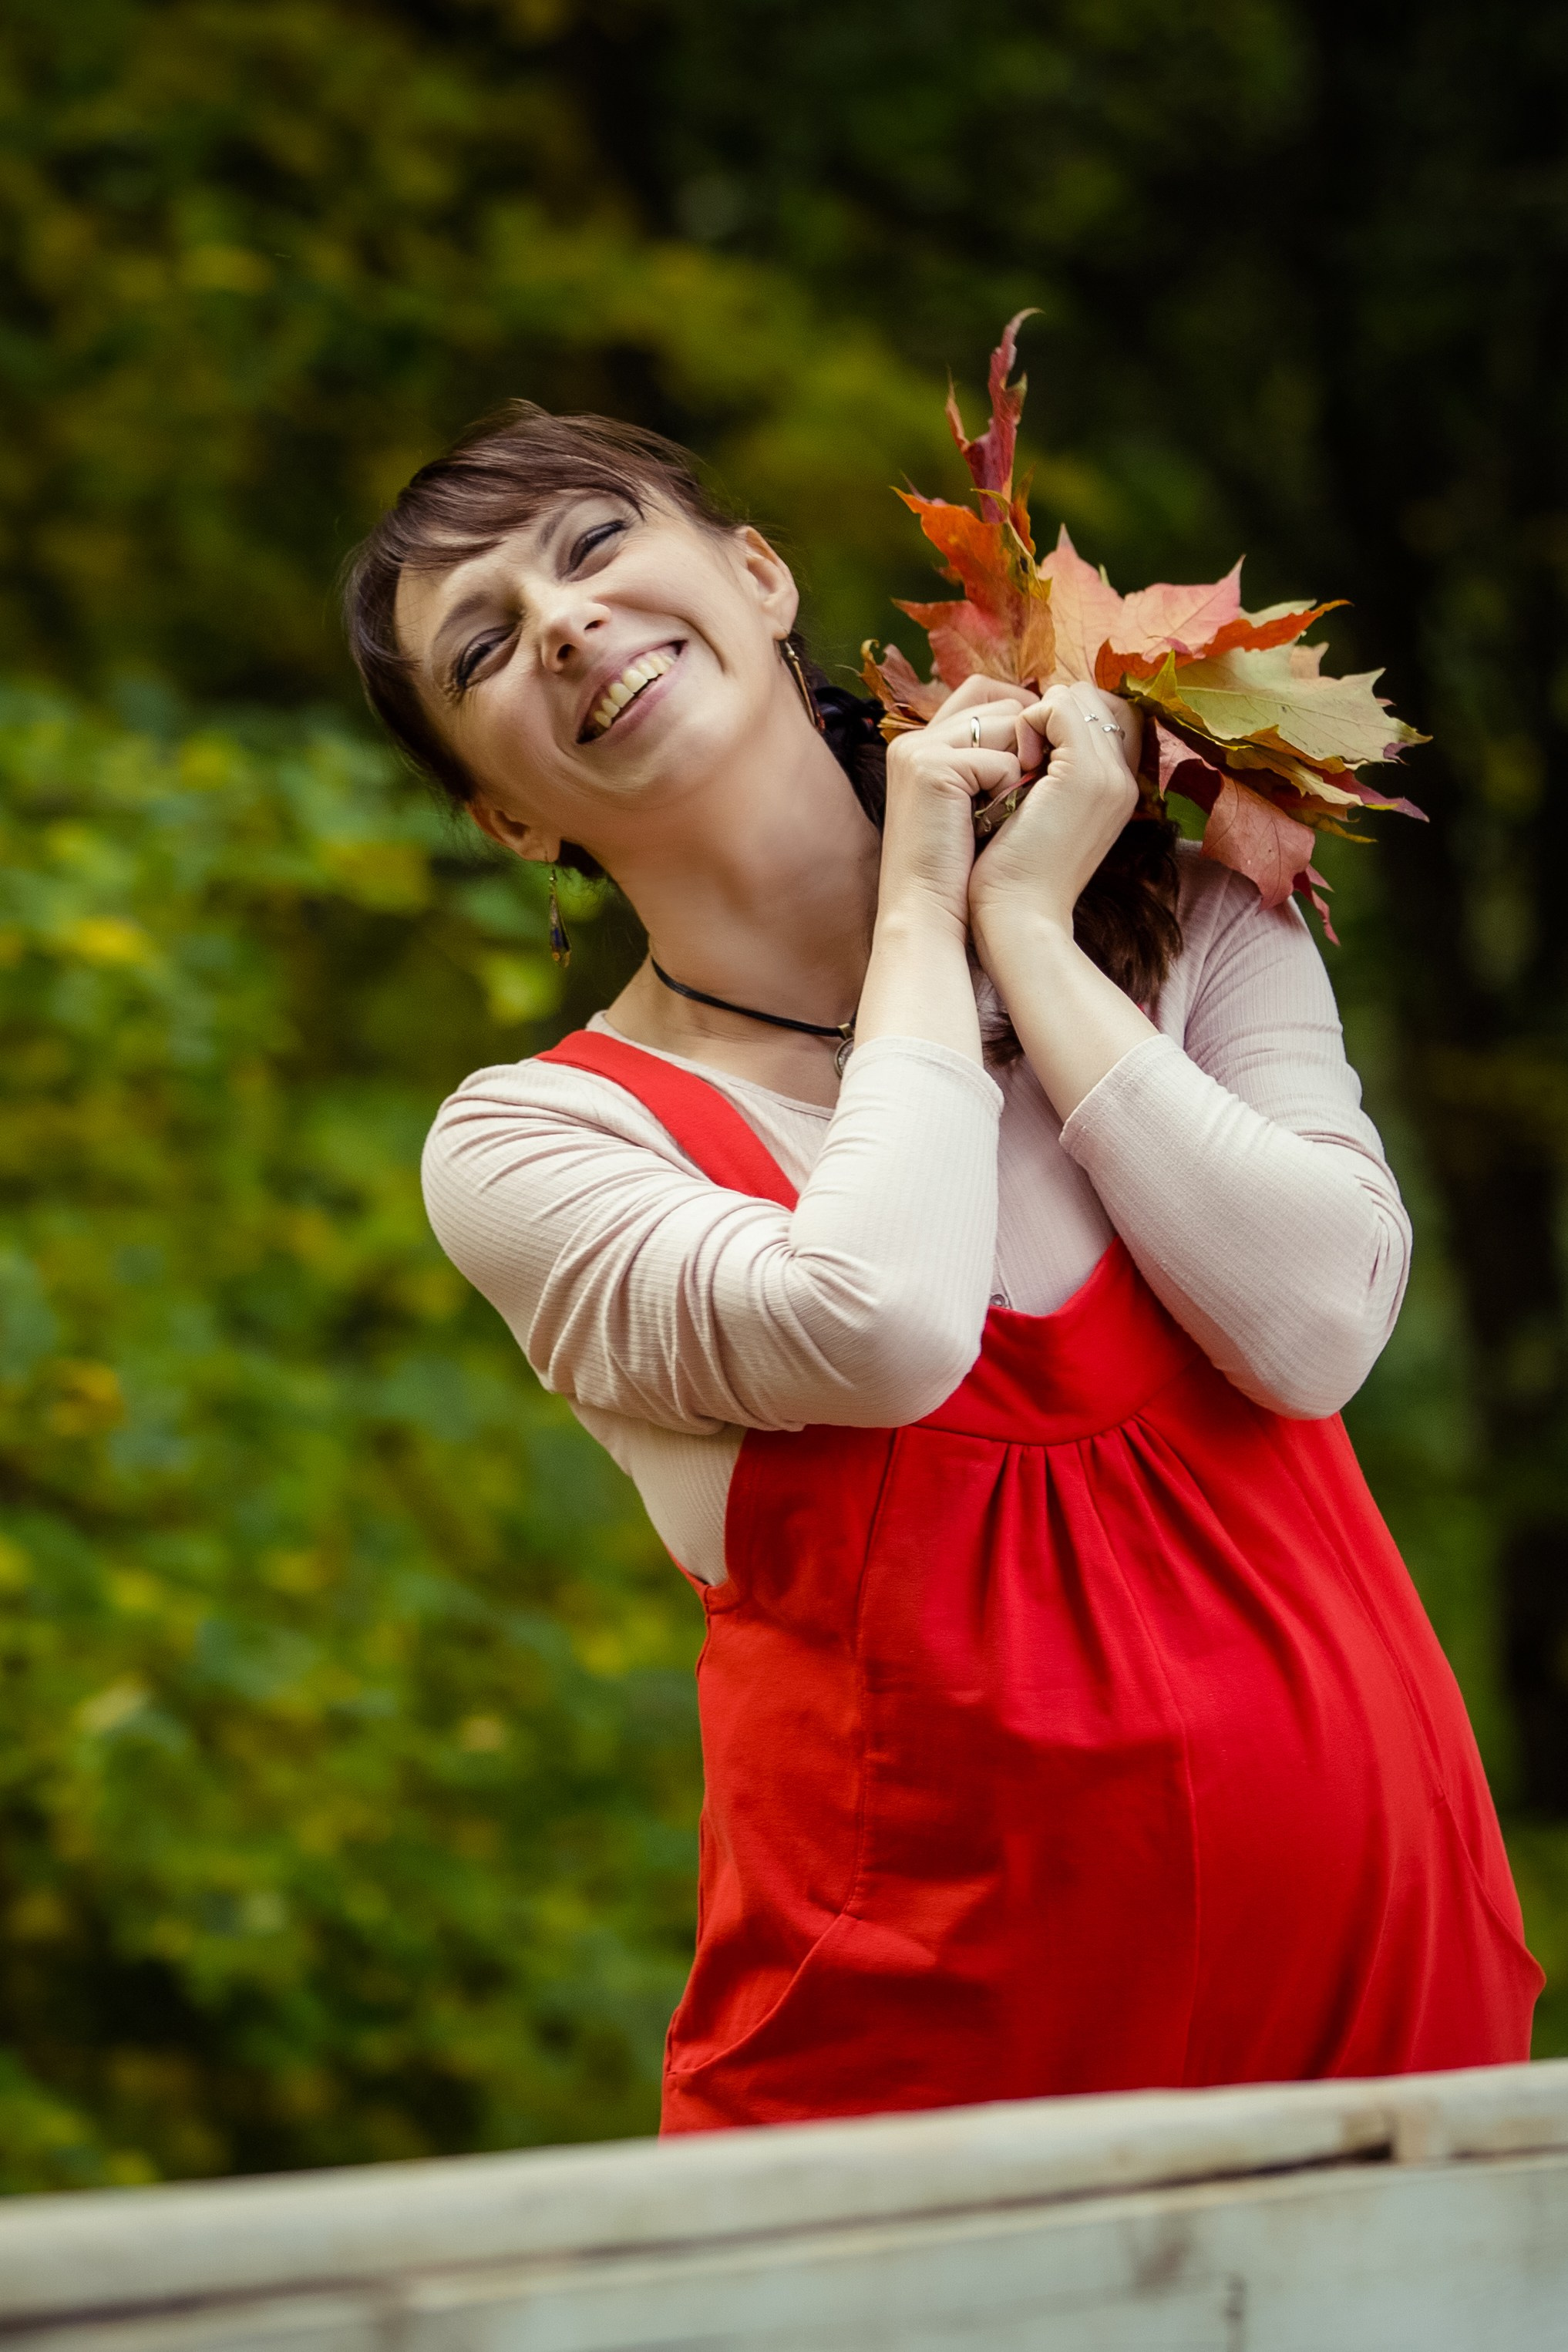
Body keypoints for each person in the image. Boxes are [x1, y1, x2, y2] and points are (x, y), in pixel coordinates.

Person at [345, 402, 1543, 2135]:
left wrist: (1029, 931)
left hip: (1385, 2028)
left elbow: (1319, 1325)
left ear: (760, 576)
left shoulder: (1180, 906)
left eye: (593, 546)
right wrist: (921, 905)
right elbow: (887, 1322)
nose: (562, 622)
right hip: (928, 2111)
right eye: (483, 646)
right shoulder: (542, 1142)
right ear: (506, 819)